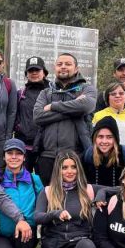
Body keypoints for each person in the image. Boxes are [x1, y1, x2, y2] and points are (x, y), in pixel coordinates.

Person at [33, 52, 97, 184]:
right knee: (48, 199)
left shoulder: (87, 89)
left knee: (73, 200)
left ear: (76, 68)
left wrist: (53, 106)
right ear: (54, 68)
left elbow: (86, 106)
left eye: (68, 64)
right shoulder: (45, 92)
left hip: (75, 157)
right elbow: (38, 117)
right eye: (59, 64)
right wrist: (73, 109)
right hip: (47, 157)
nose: (63, 67)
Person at [0, 139, 43, 248]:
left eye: (18, 154)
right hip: (2, 233)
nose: (14, 157)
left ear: (24, 157)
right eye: (10, 153)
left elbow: (42, 203)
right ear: (4, 157)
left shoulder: (35, 180)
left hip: (26, 232)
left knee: (25, 234)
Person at [14, 56, 49, 172]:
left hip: (46, 147)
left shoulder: (52, 93)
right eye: (31, 70)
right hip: (25, 146)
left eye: (37, 70)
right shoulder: (20, 94)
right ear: (26, 74)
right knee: (23, 179)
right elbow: (14, 116)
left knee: (44, 181)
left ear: (44, 73)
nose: (34, 73)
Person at [82, 116, 125, 187]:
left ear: (115, 139)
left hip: (121, 196)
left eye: (109, 137)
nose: (104, 141)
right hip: (95, 197)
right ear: (95, 138)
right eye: (100, 136)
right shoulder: (88, 155)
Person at [92, 82, 125, 156]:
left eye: (121, 93)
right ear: (108, 97)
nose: (117, 96)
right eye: (113, 94)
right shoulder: (98, 116)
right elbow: (92, 138)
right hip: (103, 159)